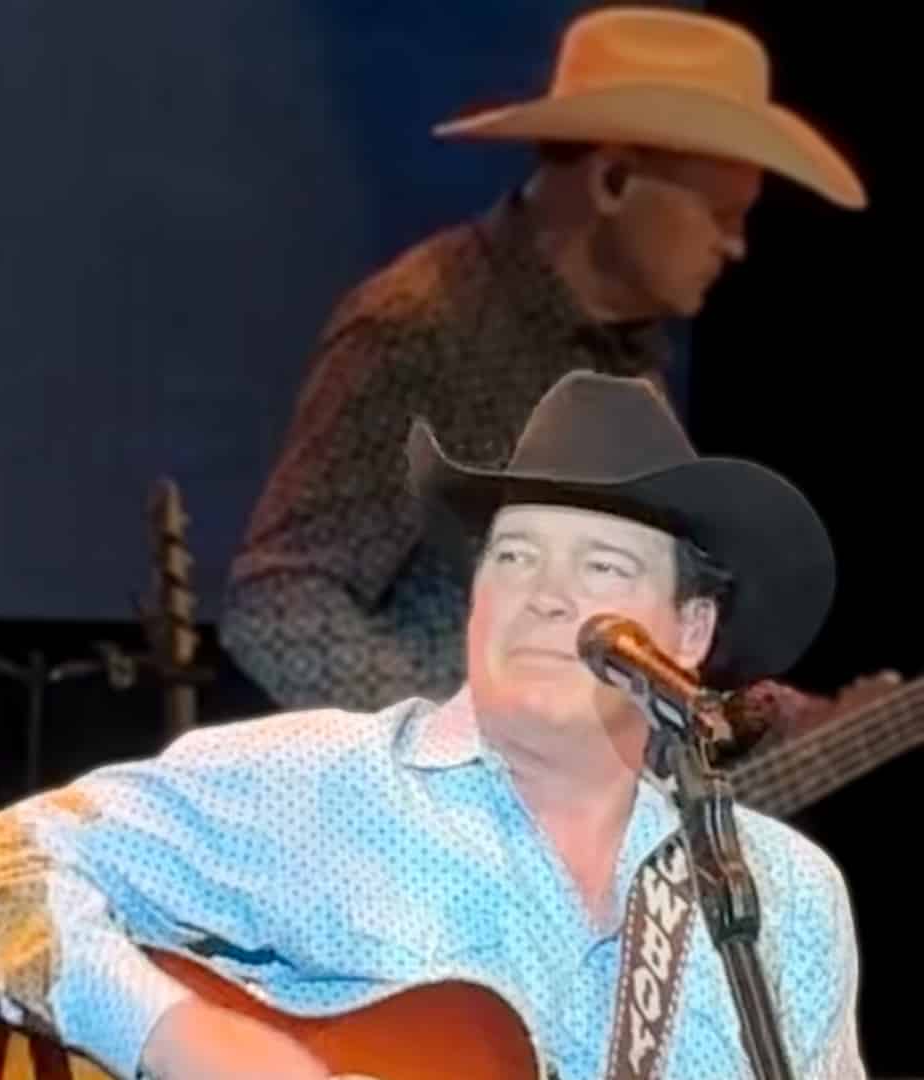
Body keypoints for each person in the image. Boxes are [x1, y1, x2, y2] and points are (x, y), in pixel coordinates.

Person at [0, 371, 865, 1079]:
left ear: (690, 632)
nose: (544, 597)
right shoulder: (326, 782)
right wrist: (176, 1035)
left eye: (603, 570)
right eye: (515, 557)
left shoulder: (783, 897)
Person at [218, 5, 890, 748]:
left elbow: (624, 650)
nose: (735, 247)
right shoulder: (422, 327)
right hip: (450, 845)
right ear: (614, 178)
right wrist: (456, 756)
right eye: (721, 214)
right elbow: (277, 602)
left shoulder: (631, 361)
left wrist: (784, 725)